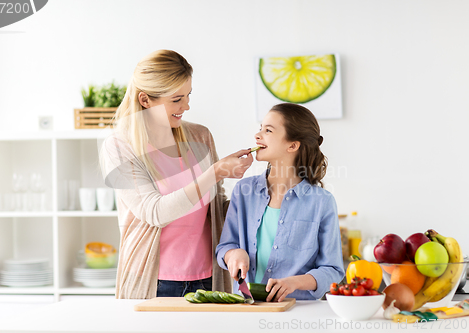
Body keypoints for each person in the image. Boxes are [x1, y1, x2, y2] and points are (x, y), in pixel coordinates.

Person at [99, 50, 253, 299]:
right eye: (177, 99)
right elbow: (154, 212)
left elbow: (216, 207)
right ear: (145, 100)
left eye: (188, 95)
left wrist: (263, 192)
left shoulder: (200, 137)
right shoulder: (120, 145)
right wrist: (213, 173)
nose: (187, 106)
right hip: (153, 280)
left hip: (207, 276)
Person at [216, 103, 345, 302]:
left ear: (292, 145)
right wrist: (233, 254)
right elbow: (225, 246)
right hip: (247, 306)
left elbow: (333, 270)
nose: (257, 136)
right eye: (260, 129)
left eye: (268, 130)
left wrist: (295, 282)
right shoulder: (243, 191)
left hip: (298, 309)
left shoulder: (322, 202)